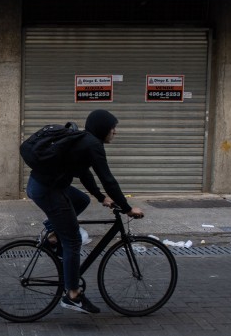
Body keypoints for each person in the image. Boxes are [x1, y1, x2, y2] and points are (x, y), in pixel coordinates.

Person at [25, 109, 144, 314]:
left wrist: (100, 198)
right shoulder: (93, 145)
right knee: (72, 241)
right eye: (112, 128)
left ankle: (53, 235)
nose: (115, 132)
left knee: (81, 200)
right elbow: (108, 179)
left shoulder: (85, 142)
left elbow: (85, 174)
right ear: (102, 129)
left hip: (45, 185)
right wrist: (127, 208)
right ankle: (72, 295)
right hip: (47, 189)